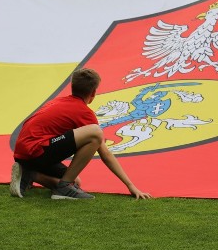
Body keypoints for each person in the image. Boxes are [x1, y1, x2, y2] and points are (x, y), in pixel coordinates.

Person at [10, 68, 152, 200]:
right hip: (35, 151)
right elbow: (105, 153)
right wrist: (130, 185)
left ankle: (30, 174)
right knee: (95, 133)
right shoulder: (84, 112)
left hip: (24, 154)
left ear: (72, 86)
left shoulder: (60, 101)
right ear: (93, 93)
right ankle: (63, 188)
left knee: (75, 181)